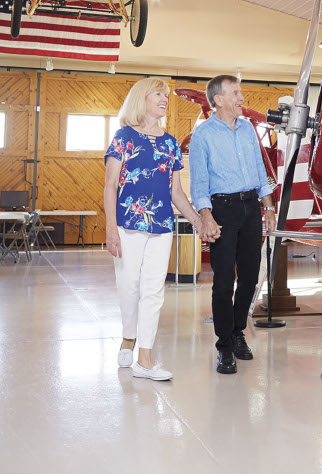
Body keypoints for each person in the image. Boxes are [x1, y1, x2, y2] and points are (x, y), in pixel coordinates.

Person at [104, 77, 201, 381]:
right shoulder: (124, 137)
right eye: (158, 94)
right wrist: (110, 228)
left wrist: (198, 221)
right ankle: (128, 337)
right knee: (128, 285)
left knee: (153, 289)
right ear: (141, 99)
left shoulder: (171, 142)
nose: (164, 99)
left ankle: (144, 357)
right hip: (128, 223)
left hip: (162, 225)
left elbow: (176, 193)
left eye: (166, 95)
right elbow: (110, 185)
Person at [189, 75, 276, 374]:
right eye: (236, 93)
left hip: (251, 206)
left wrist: (269, 208)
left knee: (250, 277)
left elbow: (259, 168)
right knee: (224, 281)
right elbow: (199, 180)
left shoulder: (249, 129)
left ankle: (238, 332)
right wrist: (206, 216)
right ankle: (224, 346)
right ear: (219, 99)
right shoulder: (203, 135)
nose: (242, 98)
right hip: (222, 210)